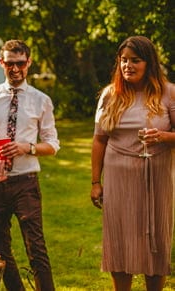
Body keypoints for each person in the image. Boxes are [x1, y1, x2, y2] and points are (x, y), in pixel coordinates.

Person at [0, 39, 59, 291]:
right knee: (0, 252)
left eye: (20, 63)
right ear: (1, 63)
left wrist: (28, 147)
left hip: (26, 182)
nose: (14, 69)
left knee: (36, 248)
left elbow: (52, 144)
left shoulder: (41, 100)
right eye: (9, 63)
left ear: (28, 62)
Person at [90, 36, 175, 291]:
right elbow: (99, 140)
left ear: (149, 63)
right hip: (118, 178)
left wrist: (163, 137)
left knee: (156, 239)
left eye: (135, 60)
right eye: (123, 60)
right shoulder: (109, 95)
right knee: (119, 239)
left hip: (157, 177)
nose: (127, 65)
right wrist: (96, 182)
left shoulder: (169, 93)